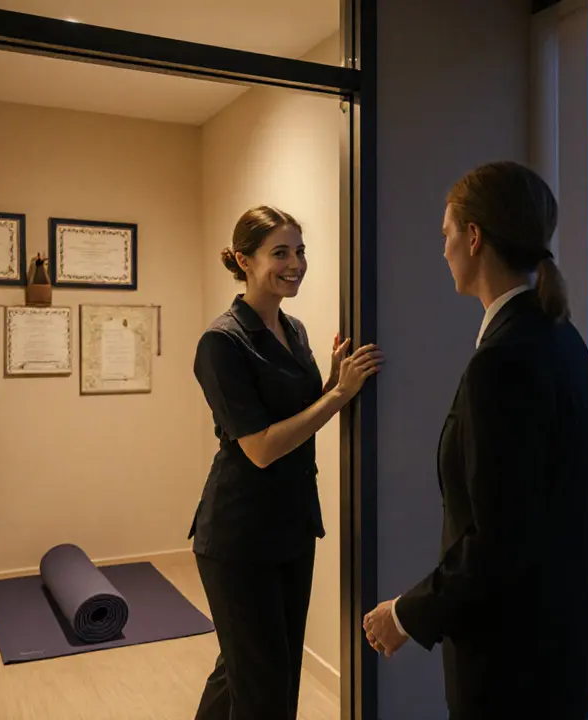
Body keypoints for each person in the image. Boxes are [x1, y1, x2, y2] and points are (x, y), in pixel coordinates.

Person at [363, 161, 588, 718]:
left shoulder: (501, 363)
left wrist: (404, 614)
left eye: (446, 233)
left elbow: (498, 543)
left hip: (515, 663)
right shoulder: (562, 338)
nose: (443, 248)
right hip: (561, 645)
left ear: (473, 237)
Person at [190, 205, 382, 720]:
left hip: (291, 528)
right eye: (280, 252)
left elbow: (296, 418)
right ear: (242, 260)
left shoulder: (293, 330)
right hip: (238, 537)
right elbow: (260, 447)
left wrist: (329, 383)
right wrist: (338, 395)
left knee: (245, 671)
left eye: (299, 251)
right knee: (266, 692)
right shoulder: (221, 343)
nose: (295, 263)